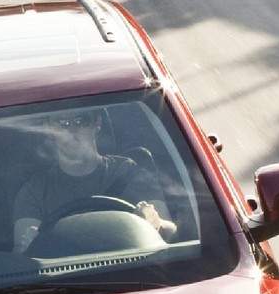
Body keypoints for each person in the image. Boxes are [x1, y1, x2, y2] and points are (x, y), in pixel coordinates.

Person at [10, 107, 179, 252]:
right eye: (62, 123)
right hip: (63, 284)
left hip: (136, 272)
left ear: (97, 123)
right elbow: (24, 254)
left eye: (81, 120)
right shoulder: (35, 190)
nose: (71, 130)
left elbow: (170, 231)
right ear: (49, 129)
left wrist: (157, 224)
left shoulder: (130, 173)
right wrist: (30, 243)